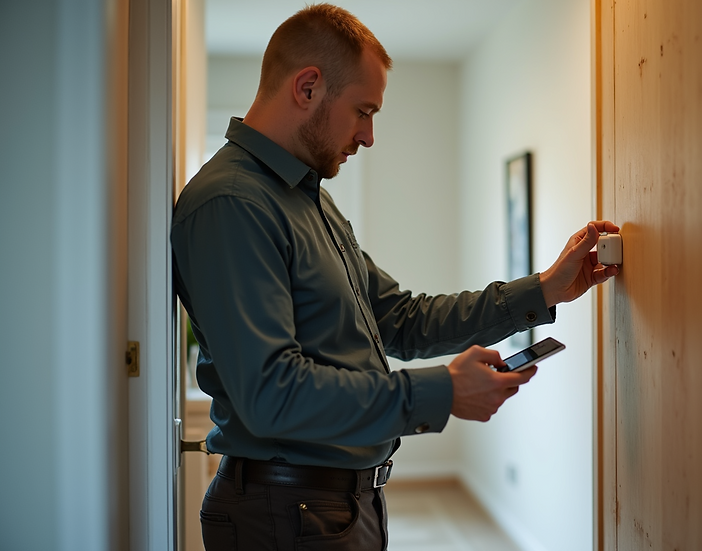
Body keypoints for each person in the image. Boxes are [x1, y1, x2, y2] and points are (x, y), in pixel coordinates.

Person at [171, 4, 620, 550]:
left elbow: (400, 319)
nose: (369, 136)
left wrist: (545, 288)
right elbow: (272, 394)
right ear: (307, 87)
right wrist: (442, 391)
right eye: (363, 111)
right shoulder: (232, 204)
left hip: (333, 507)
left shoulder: (310, 201)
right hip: (284, 515)